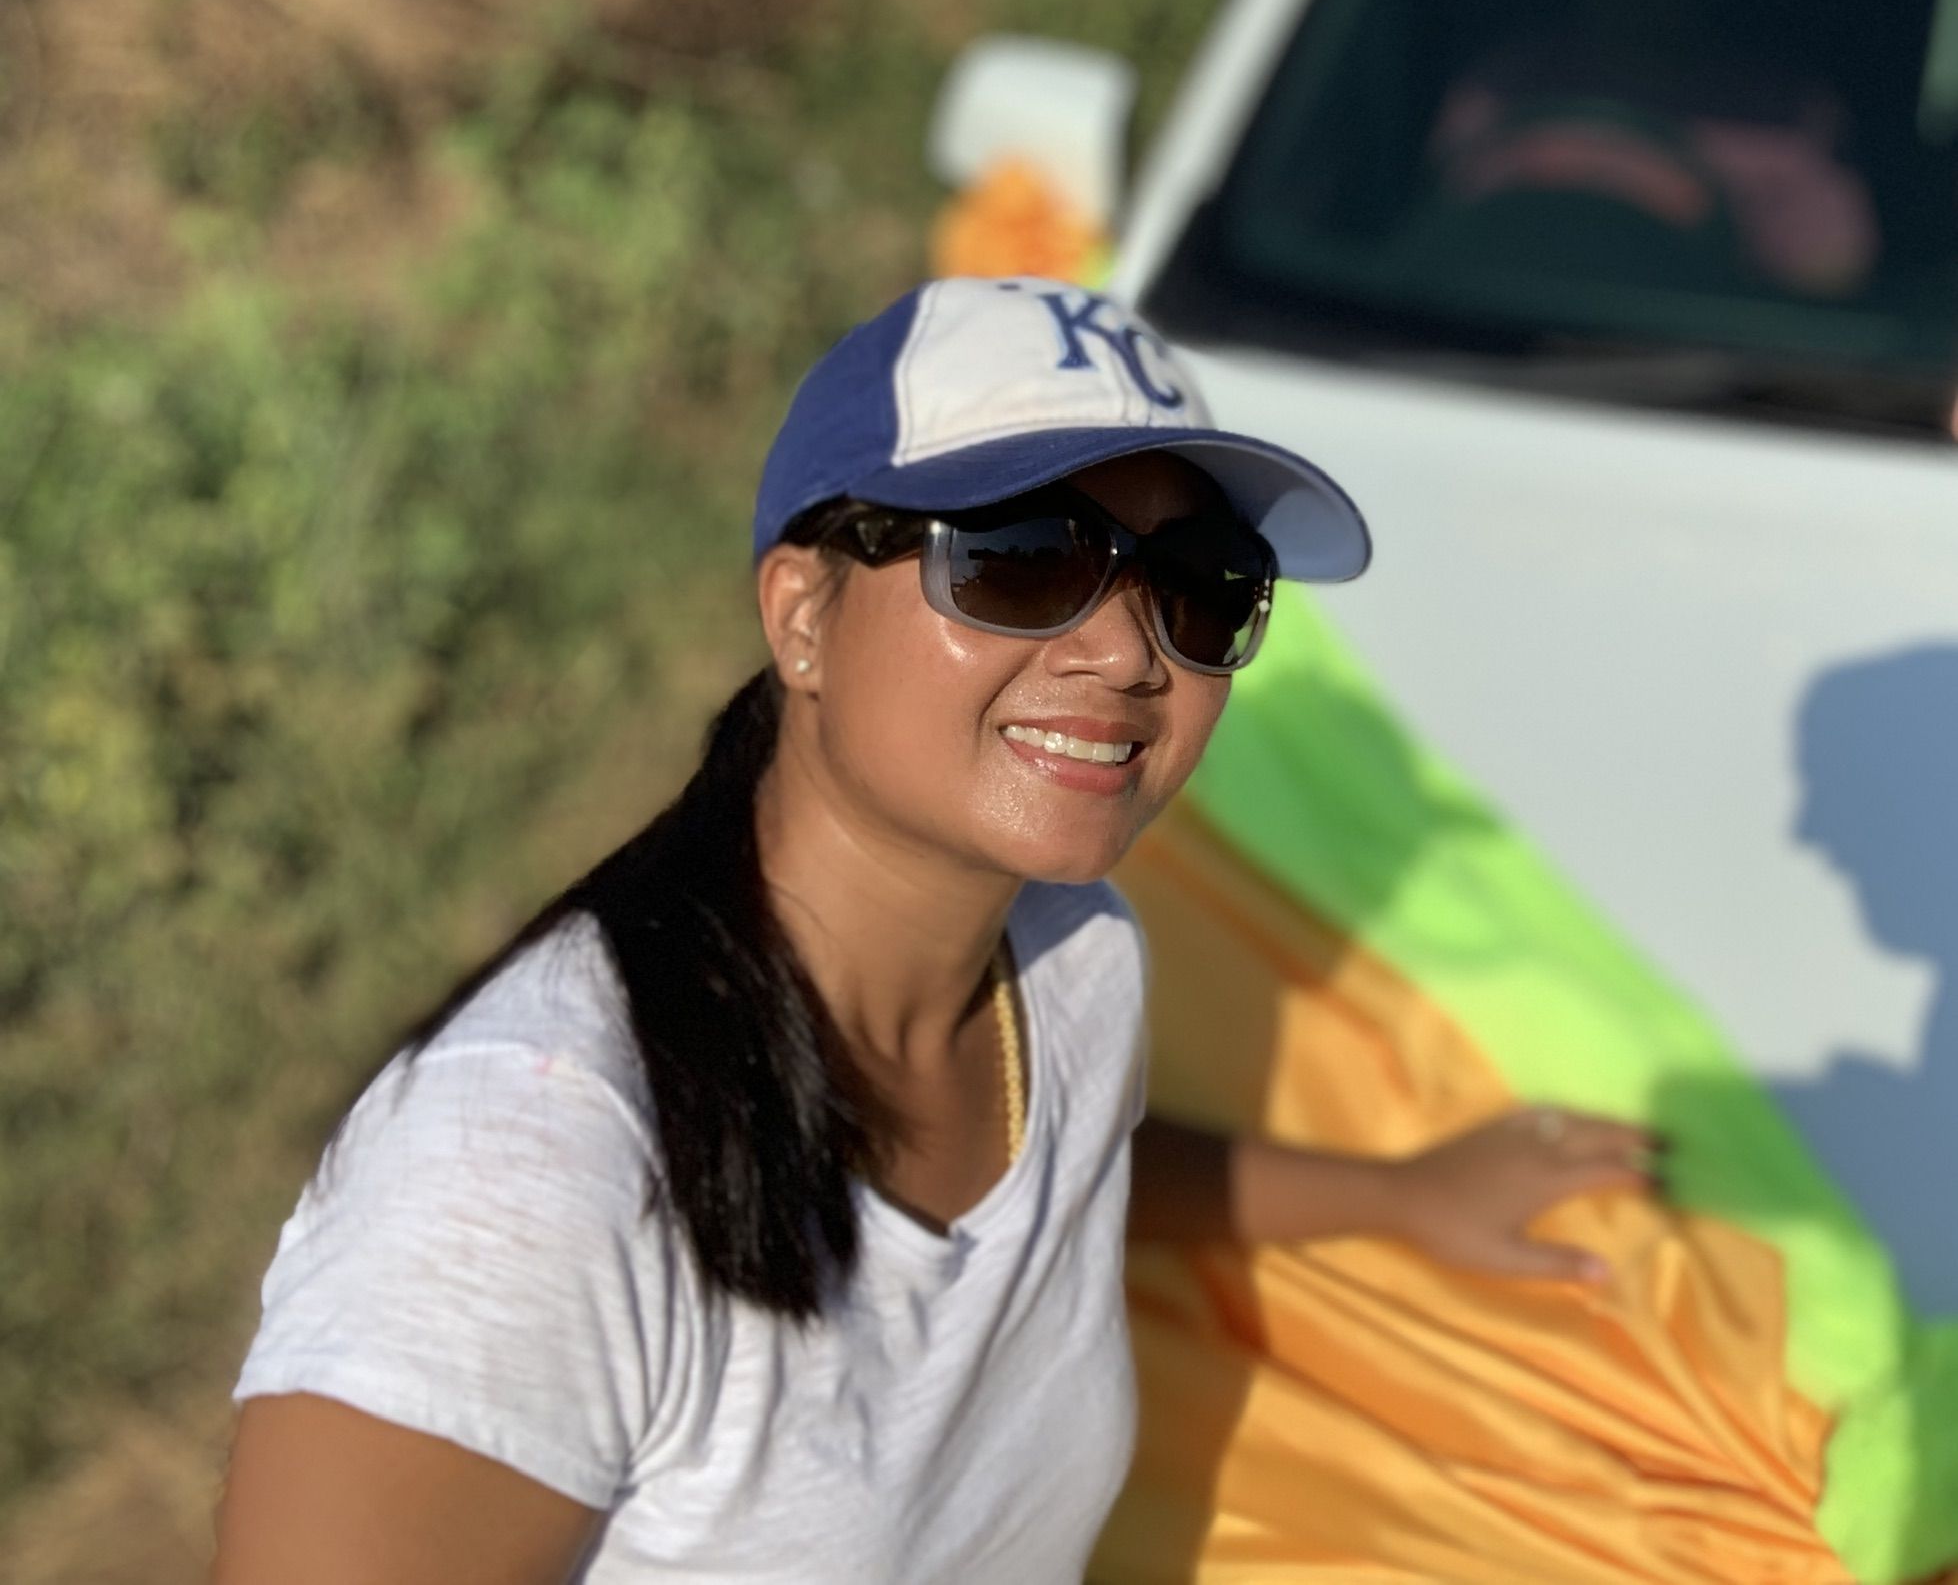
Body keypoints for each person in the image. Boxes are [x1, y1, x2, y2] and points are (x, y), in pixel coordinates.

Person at [211, 277, 1654, 1584]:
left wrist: (1395, 1197)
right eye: (1019, 558)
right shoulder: (527, 1174)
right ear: (802, 615)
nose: (1125, 651)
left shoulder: (1072, 963)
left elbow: (1072, 1174)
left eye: (1200, 584)